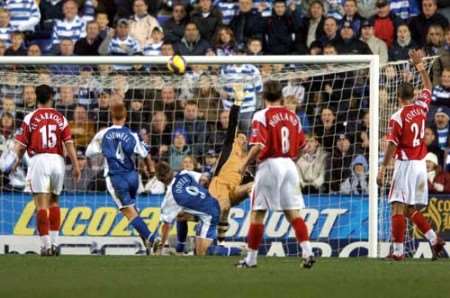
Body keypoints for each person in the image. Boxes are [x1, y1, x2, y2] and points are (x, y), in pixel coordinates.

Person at [236, 80, 315, 268]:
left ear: (263, 97)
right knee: (292, 213)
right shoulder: (293, 116)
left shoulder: (261, 115)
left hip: (269, 164)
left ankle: (251, 259)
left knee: (257, 213)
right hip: (289, 165)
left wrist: (243, 164)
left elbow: (258, 146)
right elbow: (304, 146)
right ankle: (307, 251)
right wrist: (290, 160)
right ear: (281, 96)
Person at [377, 50, 445, 261]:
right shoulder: (422, 107)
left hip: (406, 165)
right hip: (420, 165)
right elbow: (428, 87)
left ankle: (397, 252)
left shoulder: (397, 117)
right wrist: (421, 67)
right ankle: (435, 240)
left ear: (398, 98)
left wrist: (383, 167)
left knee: (397, 206)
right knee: (409, 209)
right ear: (412, 96)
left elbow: (391, 145)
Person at [0, 84, 80, 256]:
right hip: (58, 161)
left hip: (39, 161)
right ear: (51, 97)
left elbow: (20, 146)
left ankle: (46, 246)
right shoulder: (61, 117)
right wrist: (76, 165)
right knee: (54, 203)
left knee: (41, 205)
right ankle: (56, 243)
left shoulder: (30, 118)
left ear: (36, 97)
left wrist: (15, 162)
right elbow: (69, 144)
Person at [85, 102, 156, 253]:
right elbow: (144, 153)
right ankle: (147, 244)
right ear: (125, 117)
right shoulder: (132, 134)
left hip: (116, 177)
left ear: (111, 116)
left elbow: (88, 153)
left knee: (128, 211)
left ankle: (152, 239)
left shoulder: (104, 134)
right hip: (132, 177)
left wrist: (103, 150)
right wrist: (150, 168)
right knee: (133, 209)